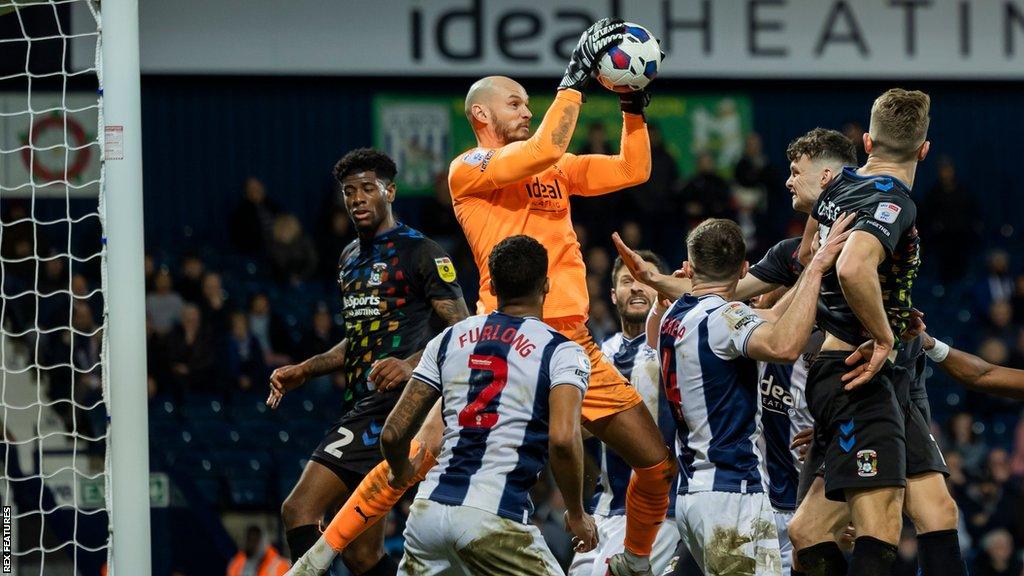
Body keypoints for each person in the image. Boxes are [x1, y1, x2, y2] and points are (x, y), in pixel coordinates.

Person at [289, 19, 674, 576]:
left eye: (527, 102)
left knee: (656, 464)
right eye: (515, 103)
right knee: (419, 454)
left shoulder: (553, 167)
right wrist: (573, 78)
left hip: (573, 341)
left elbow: (633, 169)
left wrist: (633, 108)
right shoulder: (469, 169)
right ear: (481, 117)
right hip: (504, 337)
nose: (525, 110)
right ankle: (320, 555)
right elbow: (546, 144)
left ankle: (635, 563)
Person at [267, 148, 468, 576]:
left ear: (389, 191)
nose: (357, 198)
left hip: (393, 406)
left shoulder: (421, 252)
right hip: (359, 403)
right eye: (349, 191)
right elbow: (358, 341)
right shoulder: (348, 259)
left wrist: (413, 364)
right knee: (362, 556)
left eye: (366, 189)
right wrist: (305, 369)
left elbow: (463, 330)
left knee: (298, 509)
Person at [789, 89, 956, 576]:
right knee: (878, 521)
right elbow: (854, 267)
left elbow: (805, 260)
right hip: (862, 371)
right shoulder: (894, 200)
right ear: (924, 151)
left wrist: (895, 306)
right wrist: (884, 334)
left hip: (869, 373)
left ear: (866, 141)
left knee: (935, 511)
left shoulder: (838, 185)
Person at [387, 235, 596, 574]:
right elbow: (562, 438)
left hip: (427, 513)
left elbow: (393, 433)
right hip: (493, 517)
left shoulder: (448, 339)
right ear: (547, 285)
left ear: (491, 285)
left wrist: (401, 471)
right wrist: (575, 512)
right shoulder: (561, 351)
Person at [656, 216, 851, 576]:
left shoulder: (674, 314)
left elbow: (774, 315)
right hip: (731, 494)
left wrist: (810, 271)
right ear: (745, 269)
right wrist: (820, 264)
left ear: (690, 265)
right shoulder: (725, 318)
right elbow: (784, 344)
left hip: (692, 494)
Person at [568, 250, 681, 576]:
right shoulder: (595, 357)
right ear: (613, 294)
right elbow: (576, 428)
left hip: (660, 510)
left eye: (644, 280)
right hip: (604, 509)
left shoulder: (674, 346)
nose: (636, 288)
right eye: (626, 281)